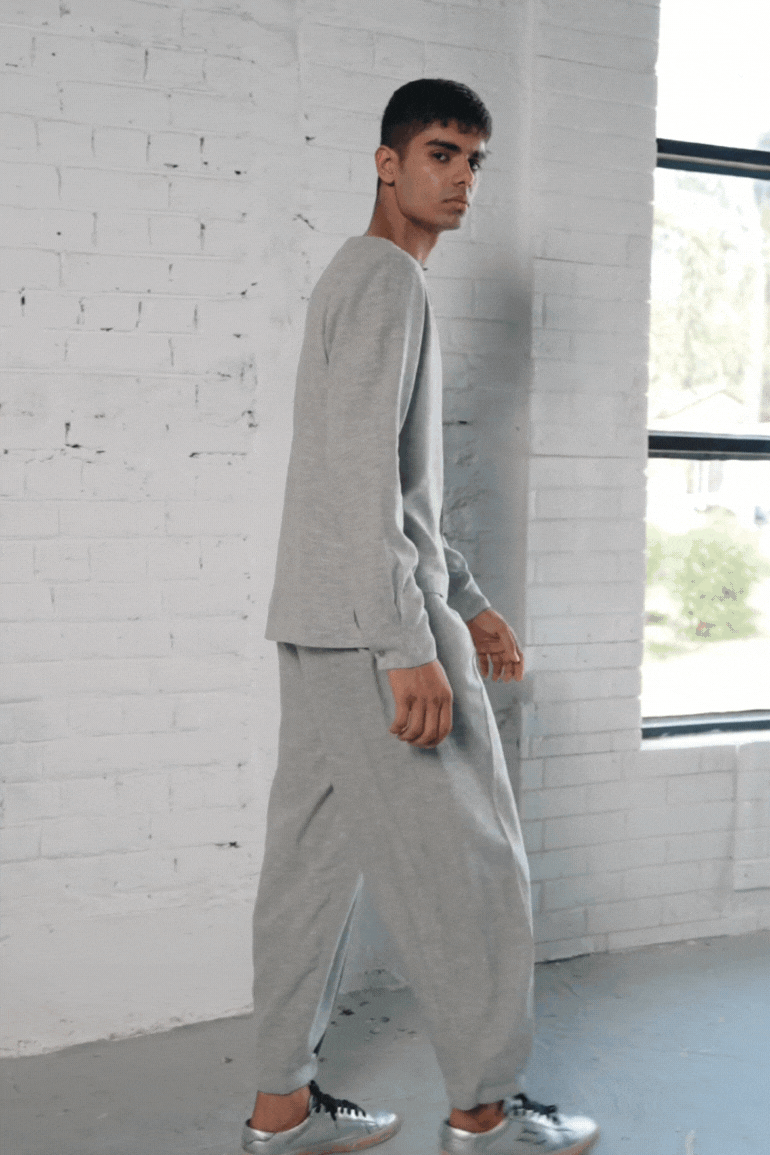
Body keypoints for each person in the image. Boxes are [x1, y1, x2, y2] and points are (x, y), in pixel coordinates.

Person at [243, 79, 599, 1155]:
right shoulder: (389, 279)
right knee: (474, 861)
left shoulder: (352, 277)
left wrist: (472, 603)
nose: (461, 178)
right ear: (386, 163)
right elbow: (361, 482)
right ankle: (485, 1109)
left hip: (321, 616)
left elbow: (390, 489)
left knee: (310, 864)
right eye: (441, 153)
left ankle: (279, 1106)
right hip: (374, 625)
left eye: (473, 160)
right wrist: (410, 644)